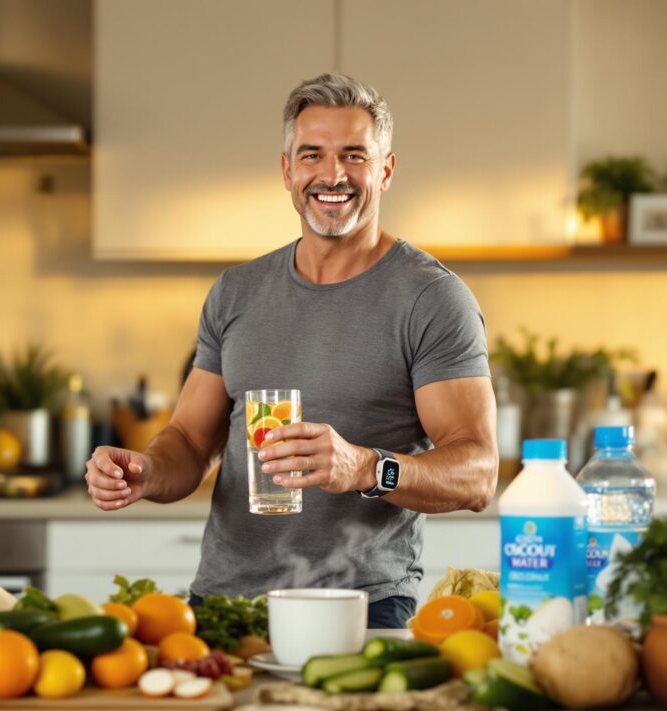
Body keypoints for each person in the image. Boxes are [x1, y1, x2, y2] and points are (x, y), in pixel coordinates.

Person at [86, 73, 498, 629]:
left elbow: (478, 474)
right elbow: (191, 440)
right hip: (222, 602)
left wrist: (366, 468)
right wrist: (147, 470)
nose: (332, 175)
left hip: (359, 605)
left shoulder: (431, 298)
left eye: (354, 155)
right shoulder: (236, 292)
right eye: (312, 155)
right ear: (287, 171)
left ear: (385, 170)